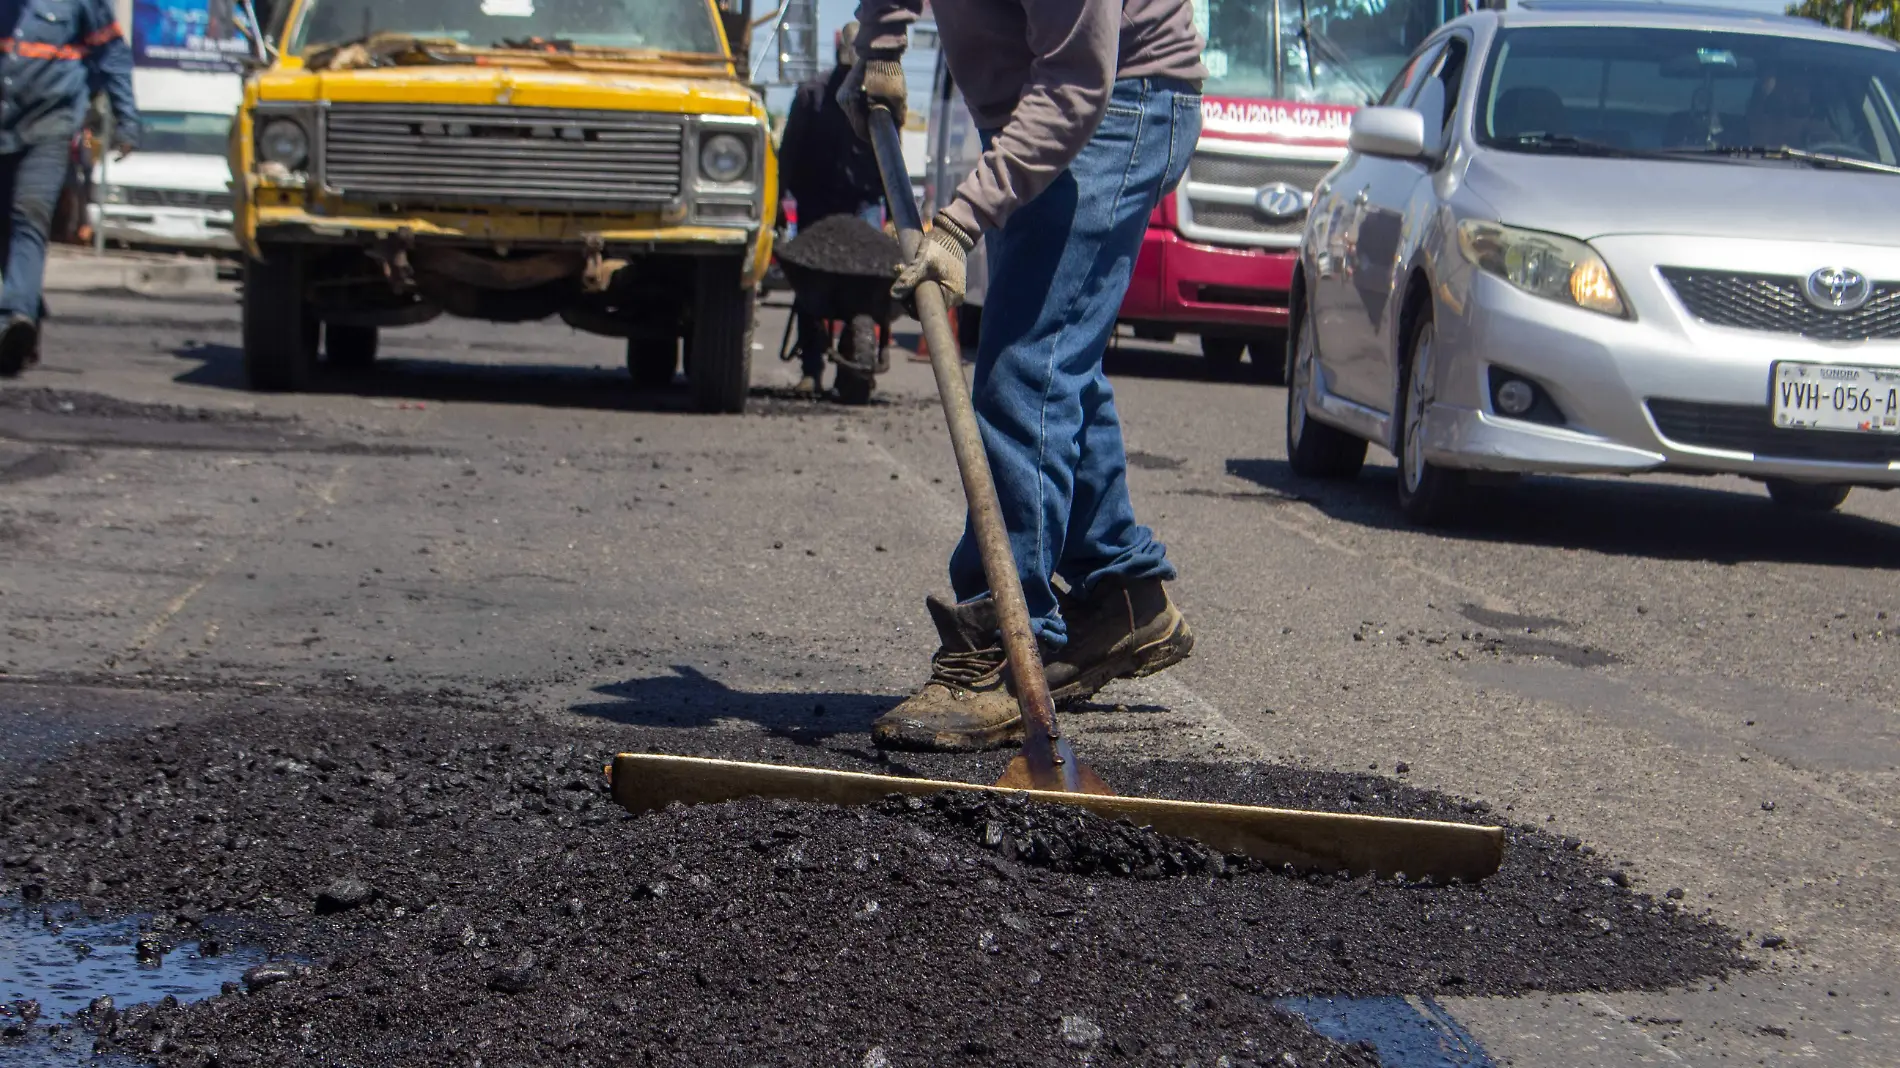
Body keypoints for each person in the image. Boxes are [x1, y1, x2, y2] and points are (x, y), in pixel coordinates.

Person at [838, 0, 1206, 751]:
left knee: (1025, 367)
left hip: (1113, 103)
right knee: (1056, 350)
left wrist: (959, 224)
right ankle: (1118, 592)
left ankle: (999, 644)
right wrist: (879, 48)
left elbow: (1077, 84)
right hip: (1029, 102)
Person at [0, 0, 137, 378]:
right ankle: (23, 318)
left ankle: (14, 314)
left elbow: (111, 54)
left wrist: (127, 119)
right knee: (5, 232)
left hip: (49, 126)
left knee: (30, 214)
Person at [776, 21, 888, 397]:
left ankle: (862, 354)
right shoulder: (812, 95)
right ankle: (811, 368)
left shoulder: (877, 99)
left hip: (862, 204)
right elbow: (789, 154)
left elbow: (893, 159)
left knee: (870, 281)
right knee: (812, 285)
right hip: (818, 203)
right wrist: (778, 203)